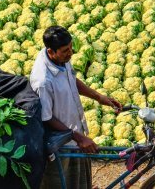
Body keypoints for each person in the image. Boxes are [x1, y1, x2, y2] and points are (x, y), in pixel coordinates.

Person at [30, 26, 122, 189]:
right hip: (61, 143)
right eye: (66, 50)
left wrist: (99, 98)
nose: (71, 53)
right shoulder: (43, 81)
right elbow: (47, 117)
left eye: (71, 47)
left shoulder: (60, 58)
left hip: (75, 133)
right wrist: (78, 137)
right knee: (63, 182)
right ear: (51, 52)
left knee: (79, 181)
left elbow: (71, 79)